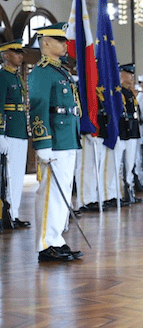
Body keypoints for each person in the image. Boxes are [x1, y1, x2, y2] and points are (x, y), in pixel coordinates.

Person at [28, 23, 83, 262]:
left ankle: (57, 239)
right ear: (46, 43)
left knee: (62, 195)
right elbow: (39, 108)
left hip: (67, 138)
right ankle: (46, 243)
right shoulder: (41, 72)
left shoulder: (61, 71)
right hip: (54, 141)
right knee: (50, 192)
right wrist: (42, 143)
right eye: (60, 40)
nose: (65, 44)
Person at [0, 39, 30, 229]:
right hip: (9, 131)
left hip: (20, 130)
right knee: (9, 175)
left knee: (18, 175)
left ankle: (14, 213)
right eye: (16, 52)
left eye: (21, 52)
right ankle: (7, 213)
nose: (20, 55)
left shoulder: (17, 77)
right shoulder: (2, 76)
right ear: (5, 54)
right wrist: (0, 132)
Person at [116, 63, 143, 203]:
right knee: (121, 164)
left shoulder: (131, 92)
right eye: (129, 74)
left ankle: (129, 190)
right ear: (121, 74)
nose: (132, 77)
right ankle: (121, 192)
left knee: (130, 163)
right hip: (123, 130)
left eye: (132, 74)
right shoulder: (118, 91)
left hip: (132, 130)